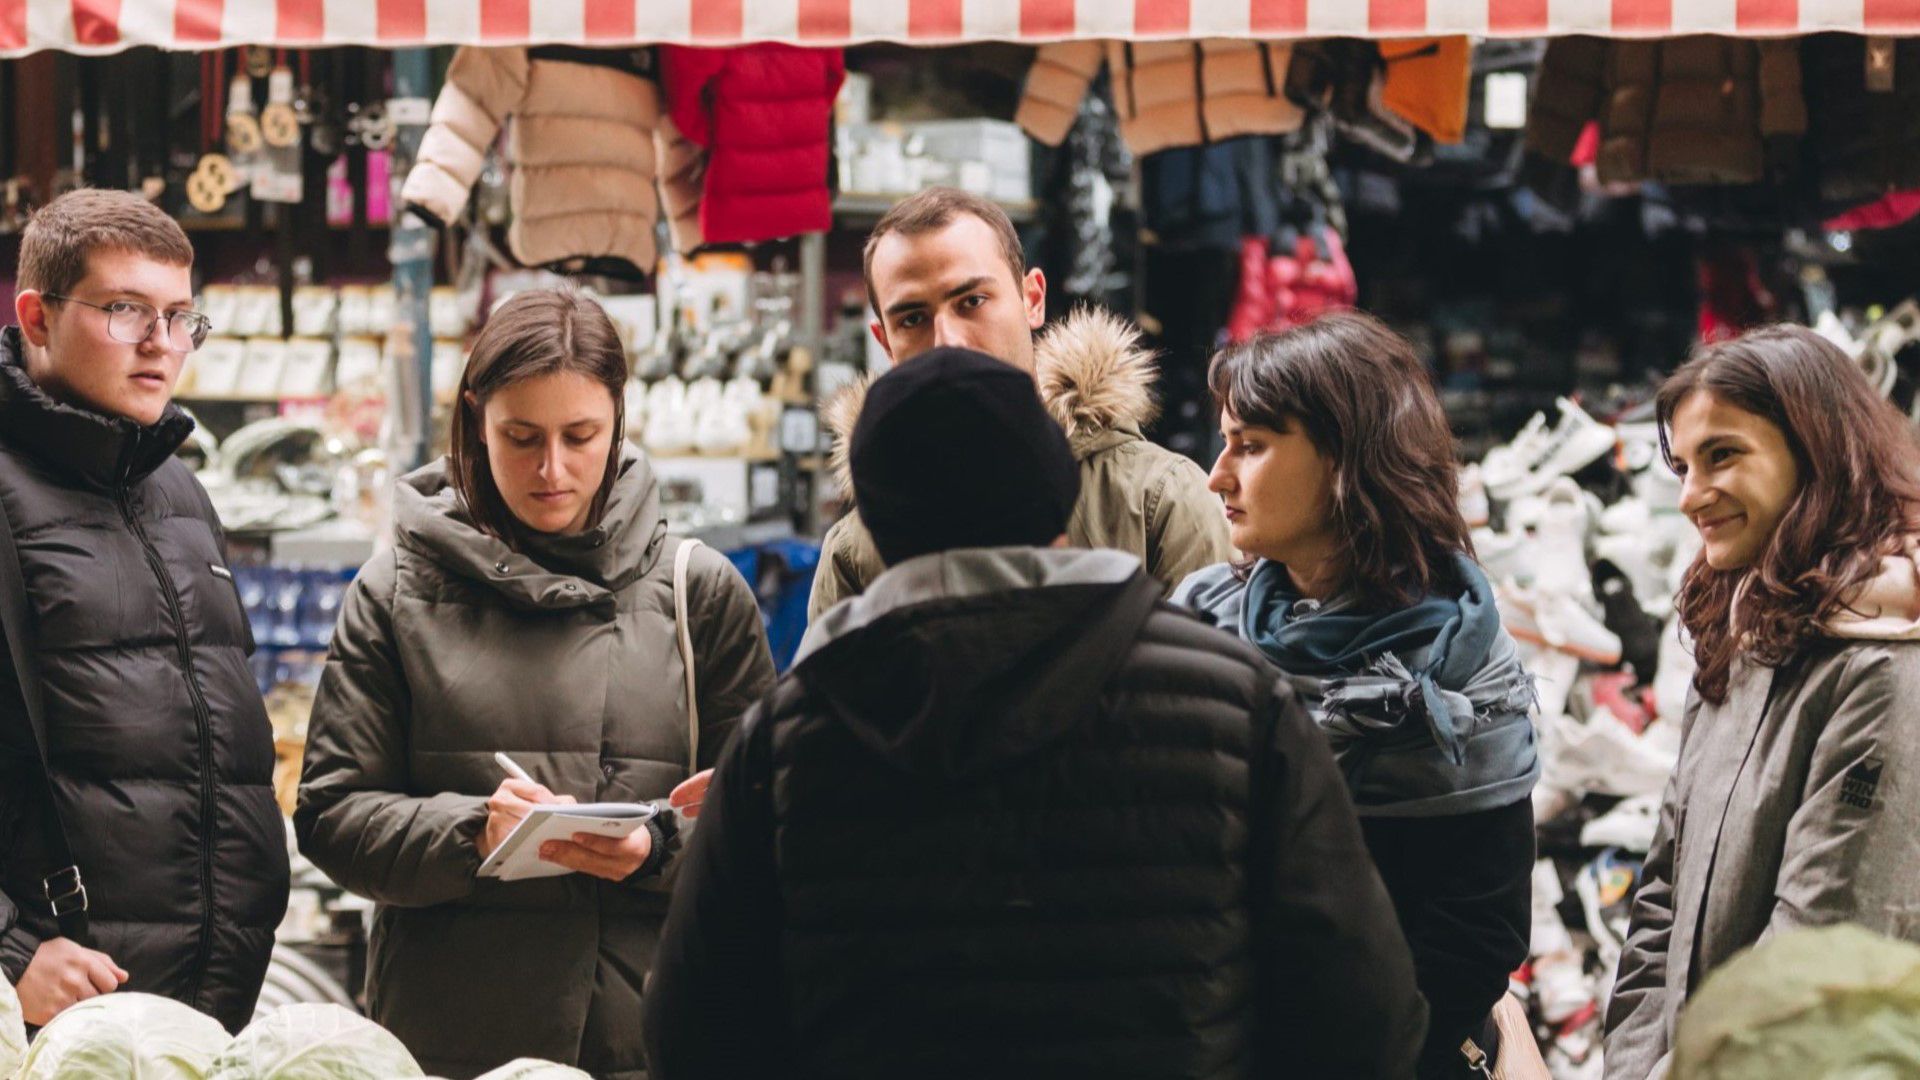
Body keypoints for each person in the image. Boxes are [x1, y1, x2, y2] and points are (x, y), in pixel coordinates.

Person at [644, 347, 1427, 1080]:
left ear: (874, 525)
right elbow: (1364, 1020)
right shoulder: (1233, 700)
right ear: (1058, 495)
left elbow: (693, 1037)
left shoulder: (785, 741)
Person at [295, 289, 775, 1079]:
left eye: (580, 436)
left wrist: (656, 848)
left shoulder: (700, 592)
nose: (553, 469)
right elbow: (333, 815)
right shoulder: (393, 594)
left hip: (650, 1034)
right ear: (476, 419)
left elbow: (772, 827)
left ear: (618, 418)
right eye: (521, 438)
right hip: (450, 1041)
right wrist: (475, 832)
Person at [1174, 311, 1540, 1079]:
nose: (1217, 475)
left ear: (1346, 461)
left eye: (1251, 445)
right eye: (1224, 443)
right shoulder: (1198, 622)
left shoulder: (1464, 676)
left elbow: (1471, 944)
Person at [0, 188, 289, 1032]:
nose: (162, 344)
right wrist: (11, 951)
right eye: (126, 311)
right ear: (38, 318)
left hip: (199, 1011)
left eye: (181, 317)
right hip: (52, 1014)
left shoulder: (179, 492)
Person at [1603, 325, 1920, 1080]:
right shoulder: (1744, 630)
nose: (1689, 496)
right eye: (1682, 465)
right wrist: (1638, 1065)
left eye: (1723, 455)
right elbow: (1661, 901)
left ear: (1816, 454)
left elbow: (1821, 938)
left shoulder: (1881, 661)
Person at [806, 186, 1230, 622]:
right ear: (886, 343)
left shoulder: (1159, 501)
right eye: (913, 319)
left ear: (1032, 299)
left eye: (972, 301)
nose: (948, 340)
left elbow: (1205, 681)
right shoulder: (853, 552)